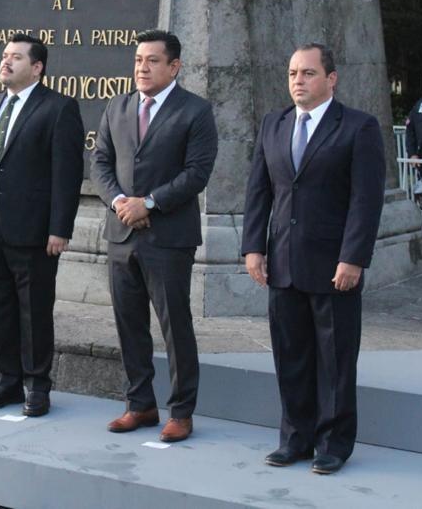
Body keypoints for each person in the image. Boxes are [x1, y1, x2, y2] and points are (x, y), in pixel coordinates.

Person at [242, 44, 385, 475]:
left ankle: (333, 444)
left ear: (331, 78)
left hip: (334, 266)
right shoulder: (274, 124)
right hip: (283, 263)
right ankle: (295, 439)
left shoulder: (358, 127)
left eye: (307, 73)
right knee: (291, 356)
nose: (298, 81)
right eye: (292, 73)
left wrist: (353, 258)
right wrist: (253, 247)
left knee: (336, 359)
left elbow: (366, 200)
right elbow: (259, 192)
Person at [91, 29, 218, 443]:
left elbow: (196, 173)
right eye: (138, 60)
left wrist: (150, 203)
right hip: (121, 233)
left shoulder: (195, 111)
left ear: (174, 66)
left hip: (168, 237)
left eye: (152, 61)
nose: (142, 68)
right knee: (129, 324)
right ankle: (140, 404)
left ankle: (181, 411)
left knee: (174, 325)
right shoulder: (117, 106)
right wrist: (121, 203)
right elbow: (101, 163)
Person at [0, 33, 84, 417]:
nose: (5, 62)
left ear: (37, 67)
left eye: (16, 57)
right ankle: (8, 381)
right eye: (4, 55)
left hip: (35, 233)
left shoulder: (59, 108)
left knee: (34, 311)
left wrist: (60, 228)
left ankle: (37, 385)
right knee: (0, 307)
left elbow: (67, 175)